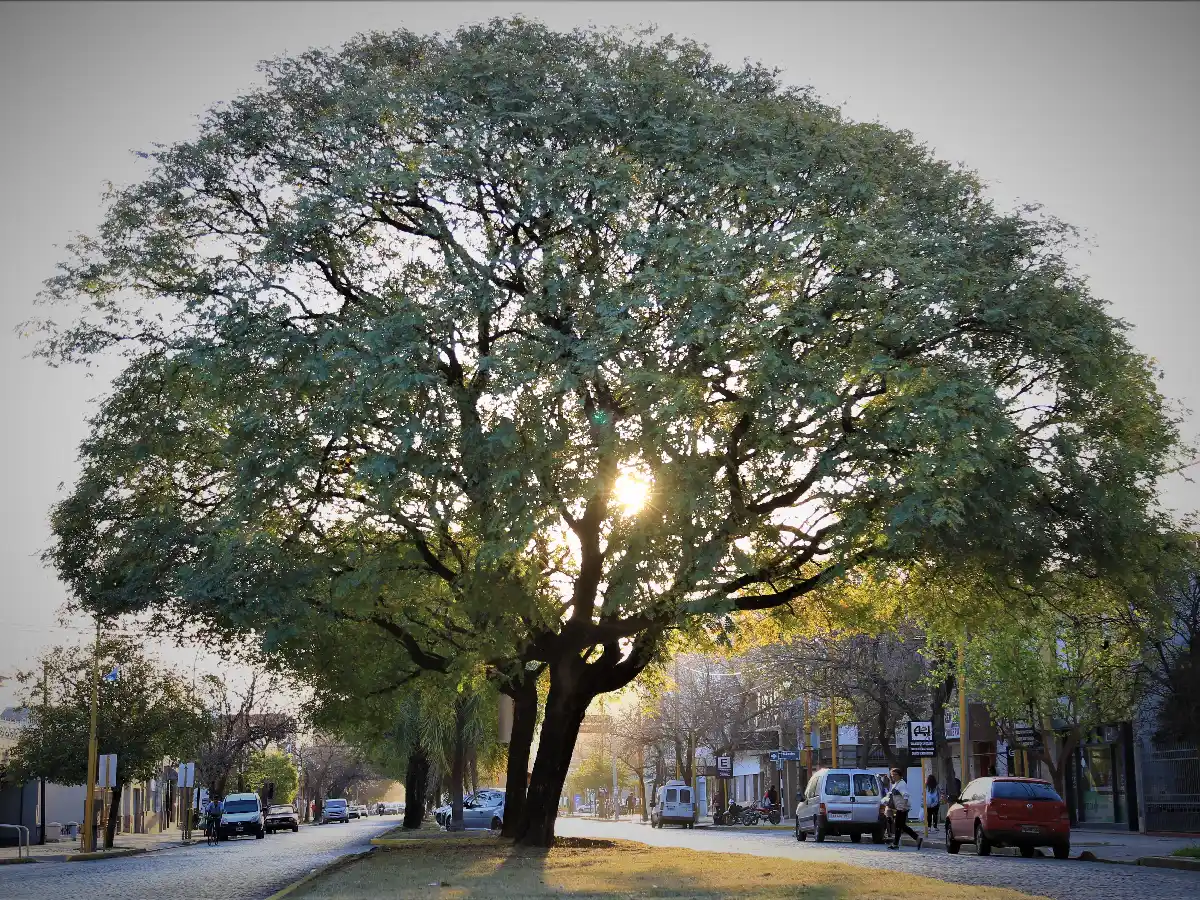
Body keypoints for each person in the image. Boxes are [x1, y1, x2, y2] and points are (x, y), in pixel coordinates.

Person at [886, 769, 923, 850]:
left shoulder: (902, 784)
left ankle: (916, 838)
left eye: (895, 774)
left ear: (899, 775)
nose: (893, 776)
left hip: (902, 808)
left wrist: (904, 806)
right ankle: (897, 843)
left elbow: (906, 795)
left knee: (899, 826)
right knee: (900, 826)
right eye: (892, 775)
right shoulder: (896, 784)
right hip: (898, 807)